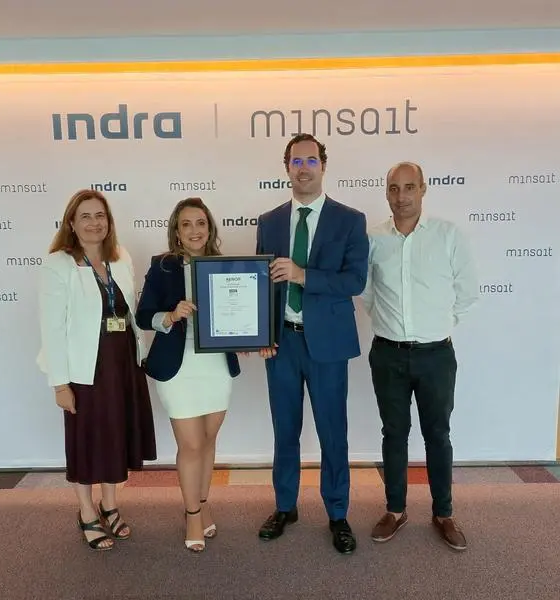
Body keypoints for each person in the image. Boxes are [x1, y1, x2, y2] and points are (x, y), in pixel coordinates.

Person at [255, 133, 369, 554]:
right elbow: (262, 286)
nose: (303, 168)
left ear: (323, 165)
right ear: (286, 167)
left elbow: (354, 280)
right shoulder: (269, 221)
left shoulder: (349, 220)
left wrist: (303, 275)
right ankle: (285, 507)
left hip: (328, 346)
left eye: (310, 160)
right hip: (282, 344)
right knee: (285, 430)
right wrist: (263, 335)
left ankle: (338, 513)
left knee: (332, 433)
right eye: (296, 161)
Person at [361, 161, 479, 551]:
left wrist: (437, 326)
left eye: (409, 187)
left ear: (424, 189)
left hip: (436, 356)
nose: (402, 196)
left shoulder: (448, 235)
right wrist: (389, 324)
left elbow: (467, 292)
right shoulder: (373, 239)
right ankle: (395, 510)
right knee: (394, 434)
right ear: (386, 193)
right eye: (394, 188)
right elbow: (366, 292)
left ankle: (443, 513)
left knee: (438, 434)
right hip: (388, 354)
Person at [37, 189, 157, 551]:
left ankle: (110, 504)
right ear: (71, 223)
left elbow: (130, 312)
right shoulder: (58, 264)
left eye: (100, 215)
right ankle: (87, 511)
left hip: (122, 363)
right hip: (84, 369)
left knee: (114, 436)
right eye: (86, 216)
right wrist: (60, 384)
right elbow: (52, 328)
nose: (94, 223)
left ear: (109, 222)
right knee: (87, 439)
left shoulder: (121, 257)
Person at [135, 197, 240, 553]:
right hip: (178, 367)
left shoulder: (226, 266)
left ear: (209, 228)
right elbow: (143, 315)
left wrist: (245, 336)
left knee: (208, 441)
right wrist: (170, 315)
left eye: (200, 223)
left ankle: (203, 502)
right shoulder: (162, 267)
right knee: (191, 444)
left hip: (216, 367)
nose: (195, 230)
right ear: (176, 232)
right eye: (186, 224)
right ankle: (192, 513)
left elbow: (239, 313)